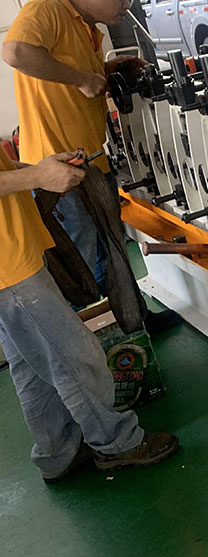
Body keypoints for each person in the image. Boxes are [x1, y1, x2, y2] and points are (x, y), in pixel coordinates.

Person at [0, 148, 179, 483]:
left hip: (11, 252)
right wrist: (37, 176)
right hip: (7, 266)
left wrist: (39, 169)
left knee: (30, 366)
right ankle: (116, 443)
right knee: (75, 357)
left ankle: (57, 452)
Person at [1, 0, 180, 332]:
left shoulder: (87, 27)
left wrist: (105, 71)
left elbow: (62, 77)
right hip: (59, 170)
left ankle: (134, 323)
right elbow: (15, 52)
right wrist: (82, 79)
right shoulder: (47, 8)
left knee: (113, 250)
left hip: (91, 160)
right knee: (81, 265)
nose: (127, 4)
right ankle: (90, 339)